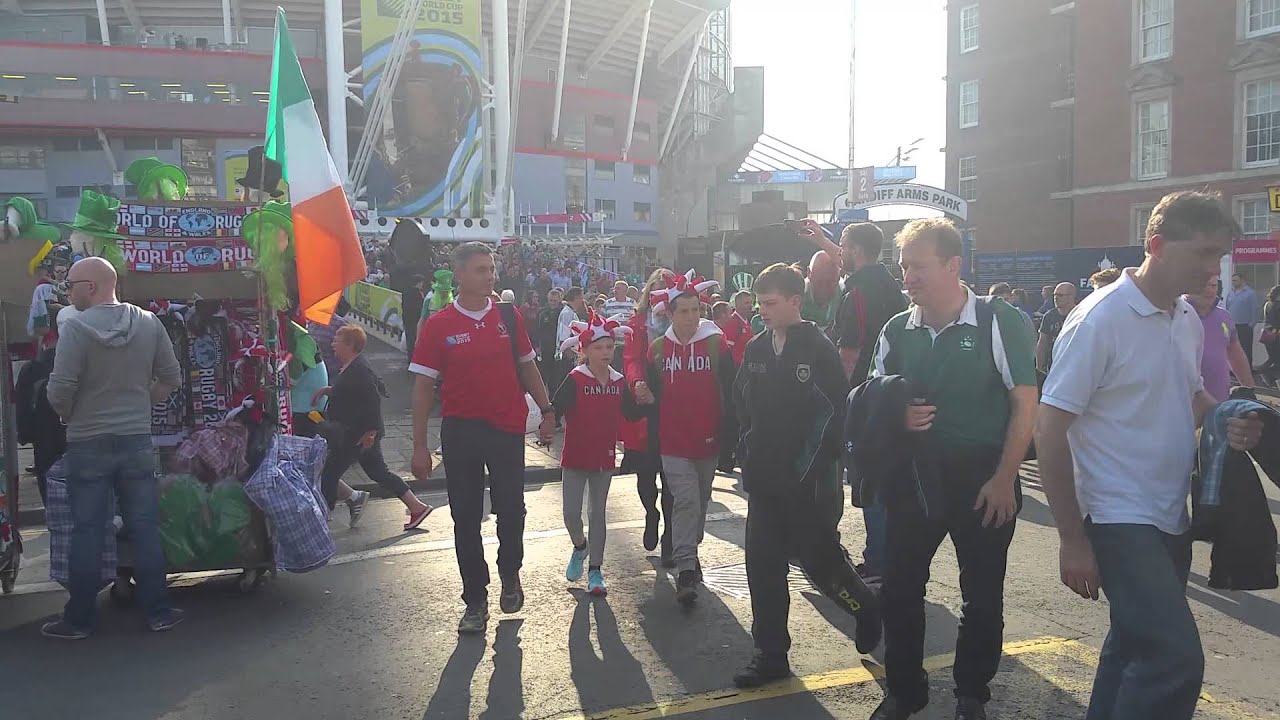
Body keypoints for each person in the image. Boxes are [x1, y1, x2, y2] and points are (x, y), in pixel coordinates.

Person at [1036, 191, 1263, 720]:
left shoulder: (1184, 315)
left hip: (1169, 513)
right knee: (1172, 658)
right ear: (1157, 245)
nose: (1214, 268)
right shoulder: (1099, 319)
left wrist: (1229, 417)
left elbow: (1192, 398)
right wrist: (1072, 538)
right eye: (1204, 253)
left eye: (1220, 256)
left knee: (1134, 647)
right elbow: (1049, 427)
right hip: (1116, 517)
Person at [867, 219, 1038, 720]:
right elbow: (874, 398)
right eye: (903, 266)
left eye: (918, 266)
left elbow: (1026, 403)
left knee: (981, 594)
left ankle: (971, 695)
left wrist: (1005, 478)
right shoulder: (897, 328)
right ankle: (904, 691)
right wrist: (896, 415)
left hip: (983, 477)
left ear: (953, 265)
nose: (908, 276)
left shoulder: (996, 320)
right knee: (900, 587)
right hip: (914, 477)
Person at [731, 263, 880, 688]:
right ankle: (771, 655)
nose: (764, 311)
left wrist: (806, 467)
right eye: (759, 304)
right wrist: (745, 451)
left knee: (819, 561)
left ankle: (865, 606)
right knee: (762, 567)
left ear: (796, 301)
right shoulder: (757, 348)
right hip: (764, 481)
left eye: (771, 303)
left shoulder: (817, 347)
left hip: (809, 482)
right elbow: (742, 403)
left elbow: (832, 413)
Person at [410, 242, 556, 634]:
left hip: (506, 428)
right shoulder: (440, 325)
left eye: (491, 268)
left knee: (512, 510)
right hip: (461, 431)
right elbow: (423, 387)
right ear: (459, 275)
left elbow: (528, 368)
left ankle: (510, 573)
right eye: (480, 269)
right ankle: (475, 599)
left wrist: (547, 410)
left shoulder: (508, 317)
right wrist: (419, 445)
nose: (489, 275)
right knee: (465, 518)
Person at [42, 257, 184, 639]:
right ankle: (159, 611)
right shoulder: (148, 323)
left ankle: (80, 620)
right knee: (145, 527)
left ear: (90, 287)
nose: (67, 291)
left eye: (70, 284)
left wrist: (73, 416)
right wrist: (141, 404)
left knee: (88, 530)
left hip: (87, 441)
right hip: (136, 438)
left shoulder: (76, 328)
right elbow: (171, 377)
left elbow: (59, 390)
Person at [800, 218, 906, 580]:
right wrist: (826, 240)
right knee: (888, 481)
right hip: (894, 392)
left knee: (868, 482)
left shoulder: (857, 293)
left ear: (856, 251)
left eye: (843, 249)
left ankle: (878, 563)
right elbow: (849, 258)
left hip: (865, 398)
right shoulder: (888, 282)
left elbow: (849, 352)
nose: (838, 255)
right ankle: (891, 559)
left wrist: (833, 404)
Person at [639, 270, 736, 607]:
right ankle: (685, 569)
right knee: (686, 501)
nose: (691, 317)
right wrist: (641, 393)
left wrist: (731, 439)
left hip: (708, 439)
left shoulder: (716, 342)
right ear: (670, 313)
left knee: (701, 502)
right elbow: (649, 394)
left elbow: (731, 390)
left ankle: (689, 548)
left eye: (696, 309)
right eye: (684, 311)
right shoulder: (658, 349)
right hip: (672, 441)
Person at [552, 311, 641, 596]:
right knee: (570, 515)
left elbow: (632, 413)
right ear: (585, 351)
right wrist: (544, 424)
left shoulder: (618, 382)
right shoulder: (575, 379)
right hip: (575, 458)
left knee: (597, 514)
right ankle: (580, 547)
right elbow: (556, 409)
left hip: (603, 458)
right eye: (599, 347)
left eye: (609, 347)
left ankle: (596, 572)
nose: (605, 352)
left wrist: (648, 398)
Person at [317, 325, 434, 530]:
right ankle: (416, 507)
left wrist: (371, 433)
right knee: (379, 472)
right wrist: (330, 391)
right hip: (356, 433)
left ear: (350, 345)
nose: (333, 344)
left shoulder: (358, 369)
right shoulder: (353, 366)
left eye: (337, 340)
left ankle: (321, 521)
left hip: (357, 435)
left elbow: (372, 400)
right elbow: (354, 393)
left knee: (329, 473)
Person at [622, 269, 676, 561]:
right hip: (644, 402)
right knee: (645, 474)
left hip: (673, 404)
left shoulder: (682, 320)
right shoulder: (638, 323)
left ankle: (670, 539)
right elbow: (630, 358)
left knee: (671, 477)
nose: (660, 292)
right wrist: (637, 383)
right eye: (656, 286)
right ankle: (650, 513)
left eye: (666, 287)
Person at [1187, 275, 1254, 402]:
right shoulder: (1175, 314)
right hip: (1185, 404)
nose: (1209, 290)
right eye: (1204, 285)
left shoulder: (1224, 316)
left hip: (1219, 401)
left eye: (1213, 286)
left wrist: (1248, 389)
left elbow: (1236, 355)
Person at [1036, 282, 1077, 376]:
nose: (1056, 298)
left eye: (1060, 295)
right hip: (1053, 366)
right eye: (1054, 295)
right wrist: (1039, 368)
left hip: (1074, 365)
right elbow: (1042, 342)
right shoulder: (1049, 316)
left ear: (1071, 297)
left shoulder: (1080, 314)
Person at [308, 296, 351, 376]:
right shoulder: (312, 320)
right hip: (317, 372)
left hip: (334, 374)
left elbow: (351, 352)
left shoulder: (340, 324)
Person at [1225, 273, 1259, 368]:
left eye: (1235, 280)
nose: (1233, 283)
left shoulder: (1250, 293)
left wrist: (1251, 324)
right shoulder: (1230, 293)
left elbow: (1254, 309)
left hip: (1245, 326)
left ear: (1242, 280)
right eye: (1232, 281)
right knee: (1233, 349)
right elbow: (1227, 308)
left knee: (1246, 349)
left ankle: (1248, 370)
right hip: (1232, 326)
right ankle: (1235, 369)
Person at [1259, 285, 1280, 386]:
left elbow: (1266, 319)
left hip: (1267, 334)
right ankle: (1267, 374)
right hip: (1276, 335)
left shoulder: (1267, 304)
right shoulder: (1278, 305)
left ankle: (1265, 373)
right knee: (1276, 360)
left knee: (1273, 358)